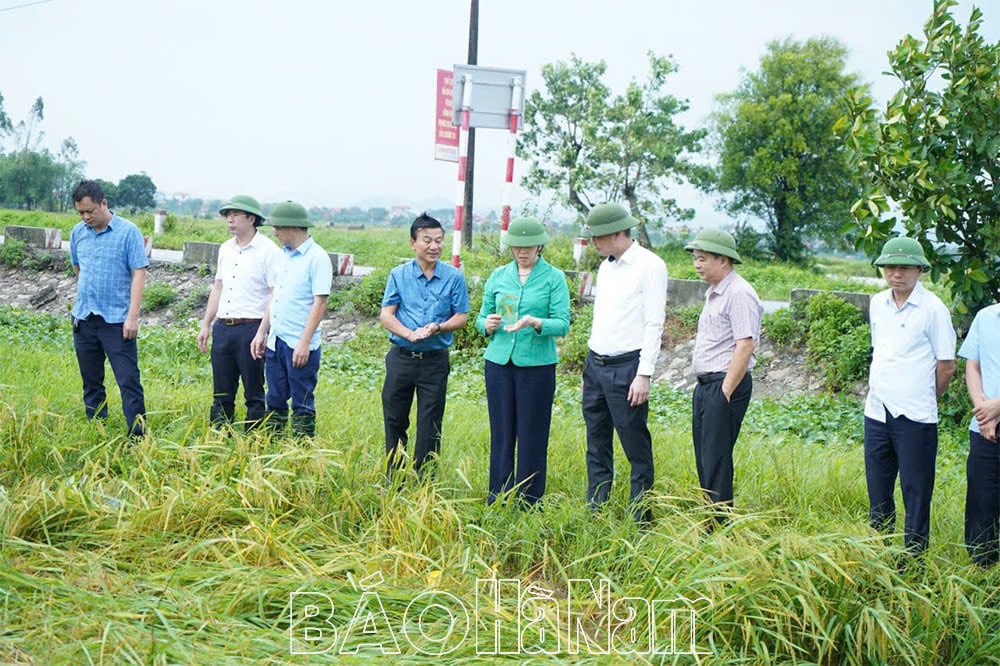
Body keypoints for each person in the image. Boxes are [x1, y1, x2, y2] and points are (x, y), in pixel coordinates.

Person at [864, 236, 955, 556]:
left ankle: (913, 560)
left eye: (904, 268)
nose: (896, 274)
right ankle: (879, 551)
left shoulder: (933, 309)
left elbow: (946, 365)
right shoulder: (877, 303)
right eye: (889, 267)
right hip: (876, 410)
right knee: (878, 488)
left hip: (916, 415)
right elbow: (880, 350)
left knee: (916, 492)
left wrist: (927, 396)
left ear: (920, 270)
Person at [582, 203, 667, 523]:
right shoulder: (606, 267)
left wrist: (644, 373)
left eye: (598, 237)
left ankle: (641, 516)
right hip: (596, 365)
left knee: (635, 444)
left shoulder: (650, 266)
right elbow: (603, 319)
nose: (594, 243)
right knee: (596, 441)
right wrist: (588, 369)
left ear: (619, 233)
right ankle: (596, 507)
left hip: (627, 367)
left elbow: (654, 323)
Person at [476, 216, 570, 505]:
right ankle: (498, 496)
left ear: (539, 246)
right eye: (517, 247)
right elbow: (481, 318)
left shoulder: (553, 278)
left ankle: (529, 500)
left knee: (532, 434)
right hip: (499, 364)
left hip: (537, 367)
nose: (523, 252)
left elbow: (563, 323)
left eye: (529, 246)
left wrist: (537, 322)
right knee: (502, 432)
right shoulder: (498, 276)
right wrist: (487, 325)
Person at [380, 213, 469, 476]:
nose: (434, 246)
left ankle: (424, 480)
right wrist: (409, 334)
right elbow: (387, 314)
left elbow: (461, 316)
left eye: (439, 241)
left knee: (430, 423)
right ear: (413, 243)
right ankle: (392, 477)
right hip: (401, 358)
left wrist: (438, 326)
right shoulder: (398, 275)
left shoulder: (453, 277)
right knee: (395, 419)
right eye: (427, 240)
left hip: (434, 361)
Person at [685, 229, 762, 524]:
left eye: (702, 258)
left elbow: (745, 345)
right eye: (695, 258)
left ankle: (719, 525)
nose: (697, 264)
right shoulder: (715, 292)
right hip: (707, 384)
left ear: (724, 260)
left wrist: (725, 390)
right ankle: (710, 517)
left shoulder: (739, 293)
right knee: (705, 456)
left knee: (716, 457)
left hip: (724, 384)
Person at [69, 179, 149, 438]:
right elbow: (77, 268)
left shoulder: (128, 232)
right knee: (91, 380)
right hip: (84, 318)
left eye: (90, 211)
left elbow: (139, 273)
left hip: (117, 321)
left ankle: (137, 434)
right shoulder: (77, 232)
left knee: (128, 381)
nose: (86, 217)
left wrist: (132, 316)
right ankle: (97, 427)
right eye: (81, 212)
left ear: (104, 203)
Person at [197, 195, 281, 430]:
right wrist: (206, 323)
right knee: (221, 390)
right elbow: (218, 287)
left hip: (251, 327)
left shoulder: (268, 251)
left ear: (251, 219)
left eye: (235, 216)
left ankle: (253, 441)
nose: (230, 220)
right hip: (224, 327)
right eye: (227, 216)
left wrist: (263, 331)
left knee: (254, 390)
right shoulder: (226, 248)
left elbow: (275, 294)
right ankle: (219, 437)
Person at [251, 201, 332, 438]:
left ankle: (301, 450)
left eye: (278, 227)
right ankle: (274, 443)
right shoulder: (282, 257)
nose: (274, 232)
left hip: (300, 342)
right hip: (277, 340)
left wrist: (304, 342)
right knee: (274, 397)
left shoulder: (317, 258)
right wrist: (262, 332)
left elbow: (320, 302)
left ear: (293, 227)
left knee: (302, 401)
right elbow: (275, 296)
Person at [958, 303, 1000, 566]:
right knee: (981, 499)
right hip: (984, 425)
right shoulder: (985, 316)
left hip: (991, 413)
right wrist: (982, 410)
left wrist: (995, 406)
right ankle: (982, 569)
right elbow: (972, 366)